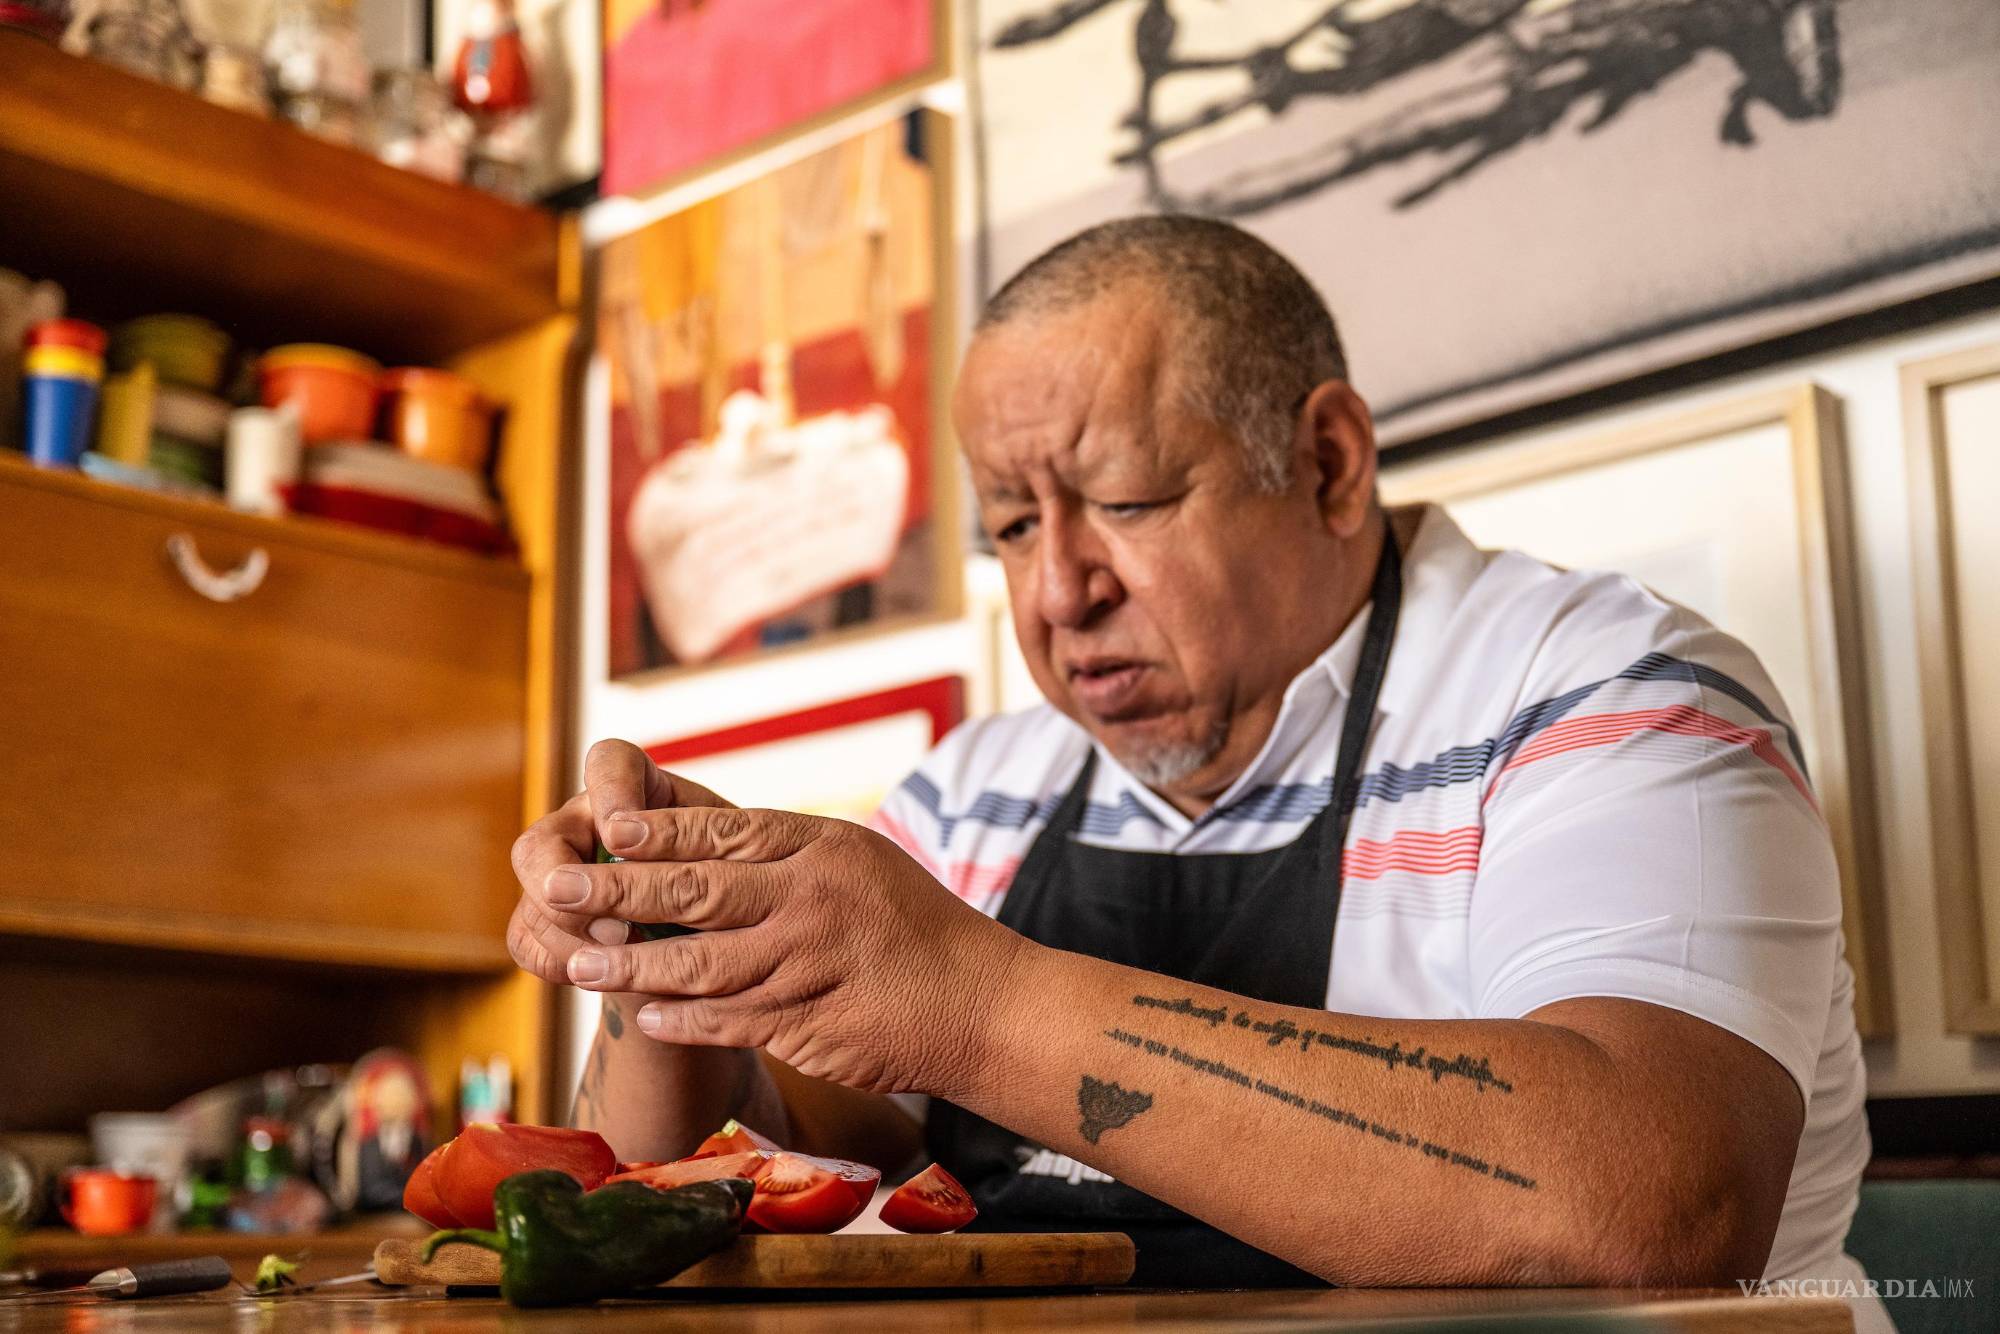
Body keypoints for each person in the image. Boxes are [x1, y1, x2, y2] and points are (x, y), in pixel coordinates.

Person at [507, 217, 1881, 1317]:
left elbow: (1649, 1203)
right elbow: (718, 1169)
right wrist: (668, 946)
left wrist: (973, 999)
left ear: (1329, 463)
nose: (1061, 590)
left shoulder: (1600, 687)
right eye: (1009, 524)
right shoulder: (980, 788)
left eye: (1129, 501)